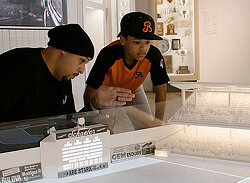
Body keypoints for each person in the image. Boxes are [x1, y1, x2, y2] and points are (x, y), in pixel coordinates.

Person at [0, 24, 135, 123]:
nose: (82, 70)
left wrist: (95, 104)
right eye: (81, 61)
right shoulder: (18, 65)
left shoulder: (63, 77)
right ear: (63, 51)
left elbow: (68, 123)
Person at [84, 12, 169, 128]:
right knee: (105, 131)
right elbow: (89, 92)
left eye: (147, 42)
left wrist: (158, 122)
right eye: (136, 42)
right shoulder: (108, 54)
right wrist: (94, 121)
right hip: (107, 92)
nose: (143, 48)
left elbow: (161, 90)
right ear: (123, 40)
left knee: (146, 127)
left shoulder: (153, 55)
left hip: (133, 88)